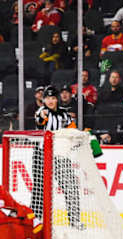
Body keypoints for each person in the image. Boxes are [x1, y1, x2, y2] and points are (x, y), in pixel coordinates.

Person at [33, 86, 83, 229]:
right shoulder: (42, 112)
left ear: (57, 99)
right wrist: (42, 117)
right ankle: (37, 220)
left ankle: (74, 220)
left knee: (71, 186)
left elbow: (72, 129)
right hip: (41, 155)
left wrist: (80, 135)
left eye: (53, 98)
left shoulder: (64, 115)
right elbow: (40, 119)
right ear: (43, 100)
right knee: (40, 189)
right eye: (47, 98)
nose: (50, 101)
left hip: (60, 155)